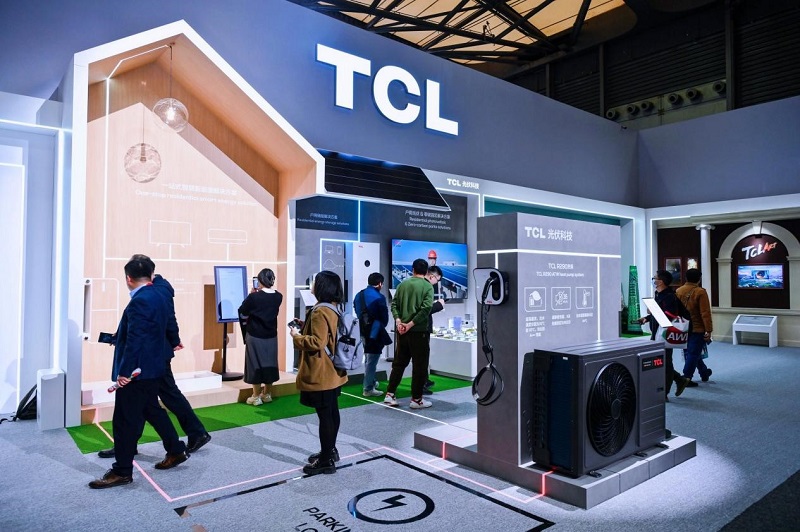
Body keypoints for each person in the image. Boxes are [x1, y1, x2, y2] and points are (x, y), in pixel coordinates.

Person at [97, 254, 211, 459]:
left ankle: (192, 435)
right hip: (154, 353)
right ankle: (134, 445)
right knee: (150, 402)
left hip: (151, 355)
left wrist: (173, 340)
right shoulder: (157, 289)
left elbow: (167, 319)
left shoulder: (154, 291)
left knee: (161, 398)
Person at [89, 259, 188, 489]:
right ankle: (175, 449)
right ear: (152, 275)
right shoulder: (160, 295)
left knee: (124, 420)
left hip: (137, 371)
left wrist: (124, 372)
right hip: (154, 367)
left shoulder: (140, 301)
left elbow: (135, 341)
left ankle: (122, 471)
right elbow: (168, 324)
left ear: (128, 278)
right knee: (151, 409)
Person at [289, 270, 348, 475]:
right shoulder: (333, 308)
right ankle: (330, 451)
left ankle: (325, 460)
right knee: (332, 412)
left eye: (315, 282)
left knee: (325, 416)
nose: (312, 285)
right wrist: (305, 326)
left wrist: (296, 336)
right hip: (334, 371)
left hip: (321, 372)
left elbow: (317, 342)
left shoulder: (319, 311)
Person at [385, 258, 434, 409]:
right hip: (419, 332)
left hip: (402, 332)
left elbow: (394, 305)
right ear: (426, 271)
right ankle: (416, 399)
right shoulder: (428, 286)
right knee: (420, 366)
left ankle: (390, 394)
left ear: (413, 269)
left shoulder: (402, 285)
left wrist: (399, 322)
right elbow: (425, 310)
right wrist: (410, 324)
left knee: (398, 364)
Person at [638, 270, 690, 400]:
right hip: (657, 333)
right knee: (660, 361)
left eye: (654, 278)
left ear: (660, 281)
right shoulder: (659, 294)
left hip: (665, 334)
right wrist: (646, 318)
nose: (653, 280)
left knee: (665, 362)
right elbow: (658, 313)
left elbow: (669, 316)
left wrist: (653, 312)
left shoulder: (669, 296)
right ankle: (679, 380)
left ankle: (664, 393)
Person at [238, 268, 283, 406]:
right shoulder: (278, 296)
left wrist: (251, 294)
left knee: (255, 364)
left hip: (255, 335)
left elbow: (242, 310)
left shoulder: (254, 297)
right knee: (270, 364)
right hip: (271, 335)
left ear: (260, 280)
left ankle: (256, 396)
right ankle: (267, 394)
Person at [353, 272, 392, 397]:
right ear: (380, 284)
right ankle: (368, 388)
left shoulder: (359, 295)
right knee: (372, 360)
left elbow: (356, 310)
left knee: (368, 357)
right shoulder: (379, 298)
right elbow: (384, 319)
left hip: (362, 330)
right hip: (375, 332)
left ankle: (372, 381)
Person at [676, 268, 713, 385]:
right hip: (697, 327)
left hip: (682, 326)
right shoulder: (700, 292)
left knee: (692, 352)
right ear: (699, 279)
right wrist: (709, 330)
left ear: (686, 278)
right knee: (693, 353)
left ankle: (704, 372)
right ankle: (686, 377)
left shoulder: (679, 290)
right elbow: (705, 313)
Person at [423, 265, 445, 396]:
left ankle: (424, 381)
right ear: (432, 276)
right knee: (422, 358)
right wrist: (439, 305)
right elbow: (425, 310)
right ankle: (421, 385)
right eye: (437, 279)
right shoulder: (426, 287)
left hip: (418, 327)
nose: (437, 282)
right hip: (421, 328)